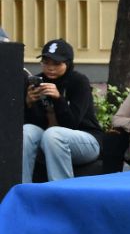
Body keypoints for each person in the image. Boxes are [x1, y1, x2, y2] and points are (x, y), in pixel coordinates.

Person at [22, 39, 104, 182]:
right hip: (49, 139)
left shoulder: (78, 81)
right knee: (27, 131)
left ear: (68, 63)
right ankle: (22, 190)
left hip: (86, 141)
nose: (50, 68)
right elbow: (36, 123)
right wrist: (29, 104)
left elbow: (72, 123)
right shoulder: (38, 81)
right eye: (46, 62)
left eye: (56, 63)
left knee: (53, 135)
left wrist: (59, 99)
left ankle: (60, 192)